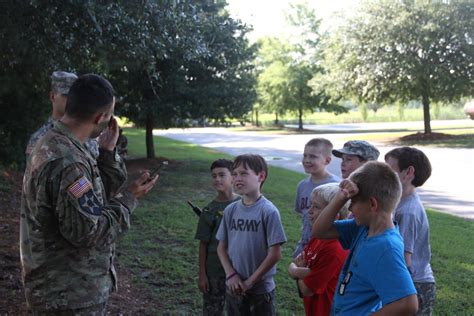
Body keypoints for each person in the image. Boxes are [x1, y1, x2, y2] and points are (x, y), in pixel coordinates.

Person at [20, 74, 159, 315]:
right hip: (68, 295)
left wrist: (106, 153)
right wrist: (129, 199)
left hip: (64, 289)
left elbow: (90, 201)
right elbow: (88, 231)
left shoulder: (59, 142)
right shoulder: (68, 161)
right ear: (101, 117)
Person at [313, 161, 418, 315]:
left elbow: (408, 303)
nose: (349, 208)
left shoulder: (386, 247)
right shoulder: (363, 228)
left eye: (353, 202)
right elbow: (320, 231)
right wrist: (341, 196)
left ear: (372, 204)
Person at [216, 154, 287, 315]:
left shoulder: (268, 211)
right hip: (234, 287)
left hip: (260, 292)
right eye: (234, 174)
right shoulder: (230, 210)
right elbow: (221, 247)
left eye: (244, 173)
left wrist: (249, 282)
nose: (237, 179)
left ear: (261, 176)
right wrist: (231, 275)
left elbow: (275, 254)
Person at [385, 147, 436, 315]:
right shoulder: (400, 201)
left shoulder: (407, 211)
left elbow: (403, 260)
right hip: (409, 282)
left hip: (415, 285)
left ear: (408, 172)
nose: (384, 175)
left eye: (389, 170)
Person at [288, 183, 349, 316]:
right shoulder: (318, 237)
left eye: (316, 207)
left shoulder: (335, 249)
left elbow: (306, 289)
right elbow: (297, 264)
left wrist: (296, 270)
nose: (309, 211)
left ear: (334, 215)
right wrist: (306, 271)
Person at [195, 159, 240, 315]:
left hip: (239, 271)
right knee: (212, 311)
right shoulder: (209, 210)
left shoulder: (244, 205)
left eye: (222, 175)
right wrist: (202, 275)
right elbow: (203, 244)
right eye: (214, 176)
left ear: (233, 177)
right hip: (214, 271)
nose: (217, 179)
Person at [26, 71, 99, 159]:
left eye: (74, 96)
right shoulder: (40, 138)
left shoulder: (88, 135)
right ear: (52, 96)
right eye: (66, 95)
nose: (71, 100)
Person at [293, 138, 340, 258]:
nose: (307, 160)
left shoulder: (336, 186)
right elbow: (303, 216)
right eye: (305, 156)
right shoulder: (302, 186)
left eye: (313, 157)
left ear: (327, 160)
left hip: (325, 248)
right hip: (304, 246)